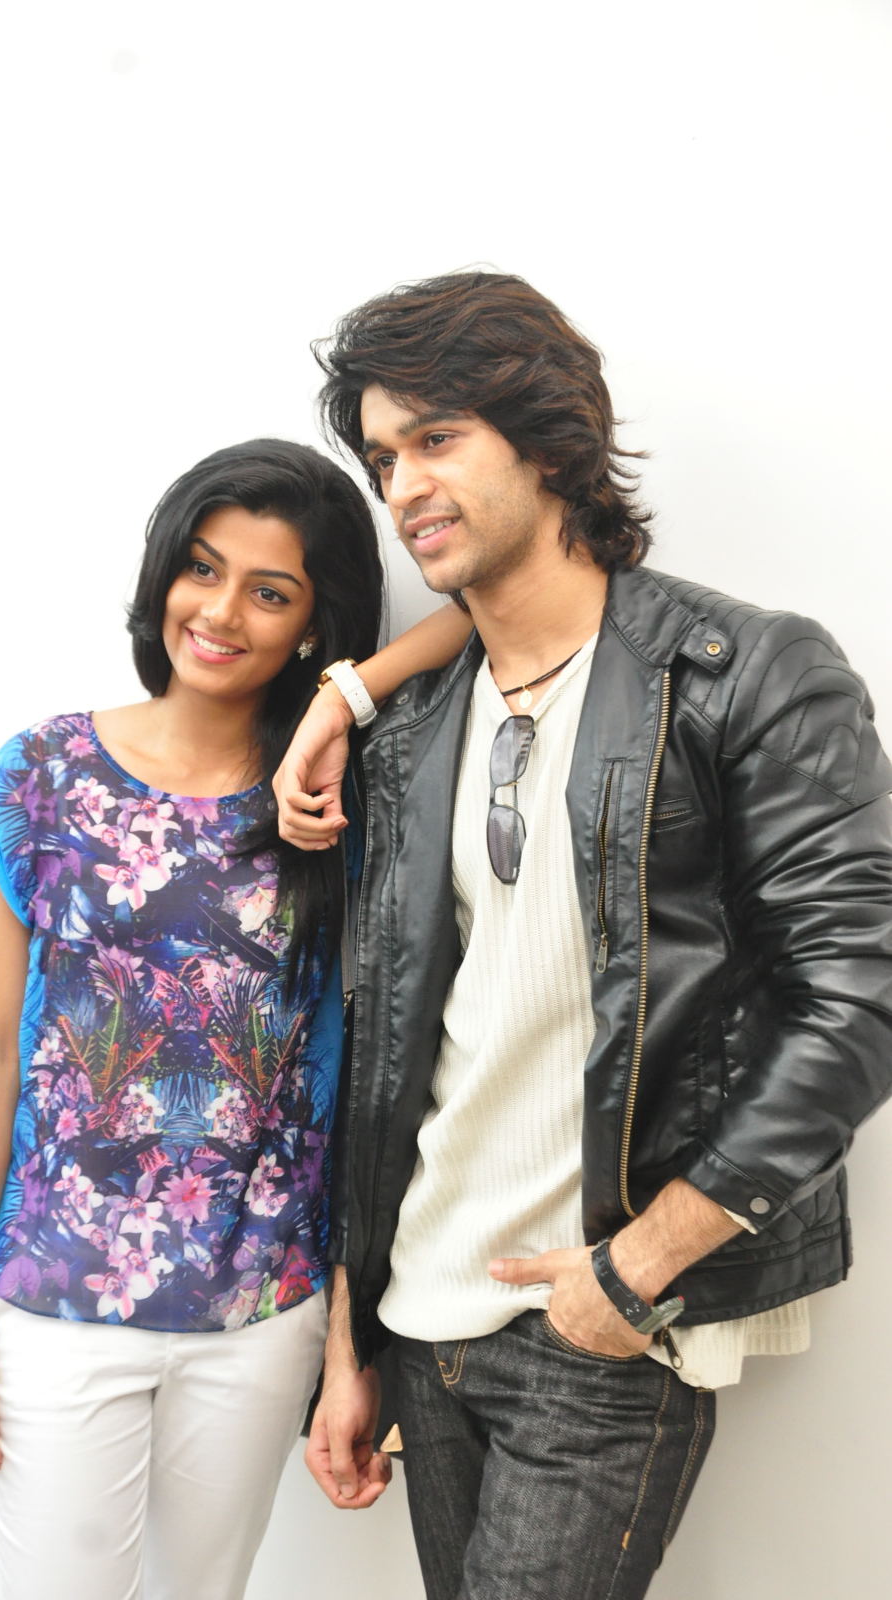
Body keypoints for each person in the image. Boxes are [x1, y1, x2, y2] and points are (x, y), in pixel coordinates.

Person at [274, 273, 892, 1600]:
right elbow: (383, 1049)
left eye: (437, 438)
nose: (402, 486)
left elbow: (856, 994)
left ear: (549, 442)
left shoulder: (748, 675)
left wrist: (641, 1267)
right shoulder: (415, 727)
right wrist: (352, 1338)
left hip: (596, 1319)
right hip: (420, 1320)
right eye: (383, 458)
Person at [0, 438, 471, 1600]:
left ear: (315, 625)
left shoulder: (334, 797)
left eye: (270, 592)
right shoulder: (40, 777)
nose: (219, 612)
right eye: (202, 569)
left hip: (262, 1307)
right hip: (58, 1298)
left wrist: (345, 699)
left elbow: (488, 609)